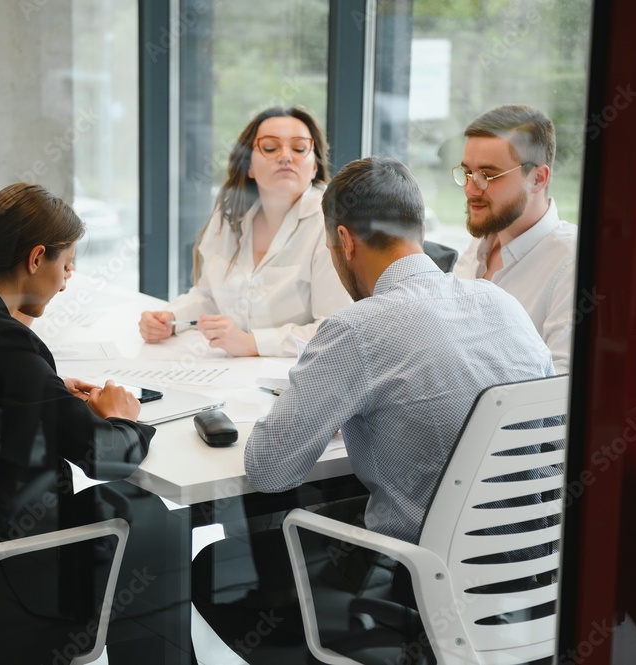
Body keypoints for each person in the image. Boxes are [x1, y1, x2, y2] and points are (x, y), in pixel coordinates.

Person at [194, 157, 554, 663]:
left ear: (345, 241)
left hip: (421, 589)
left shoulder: (359, 330)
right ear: (420, 228)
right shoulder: (503, 306)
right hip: (529, 581)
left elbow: (270, 468)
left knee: (218, 567)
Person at [0, 183, 167, 663]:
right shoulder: (9, 344)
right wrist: (124, 419)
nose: (66, 281)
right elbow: (104, 457)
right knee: (142, 511)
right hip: (13, 568)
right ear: (36, 258)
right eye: (66, 265)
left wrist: (44, 389)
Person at [139, 106, 352, 357]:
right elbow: (209, 295)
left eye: (299, 148)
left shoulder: (328, 225)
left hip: (291, 377)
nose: (285, 156)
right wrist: (171, 317)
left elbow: (334, 331)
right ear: (249, 166)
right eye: (270, 148)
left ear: (314, 167)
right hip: (227, 368)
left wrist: (251, 343)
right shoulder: (229, 215)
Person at [451, 105, 579, 373]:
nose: (470, 189)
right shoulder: (483, 240)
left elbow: (559, 391)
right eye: (466, 172)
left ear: (537, 179)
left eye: (487, 175)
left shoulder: (571, 264)